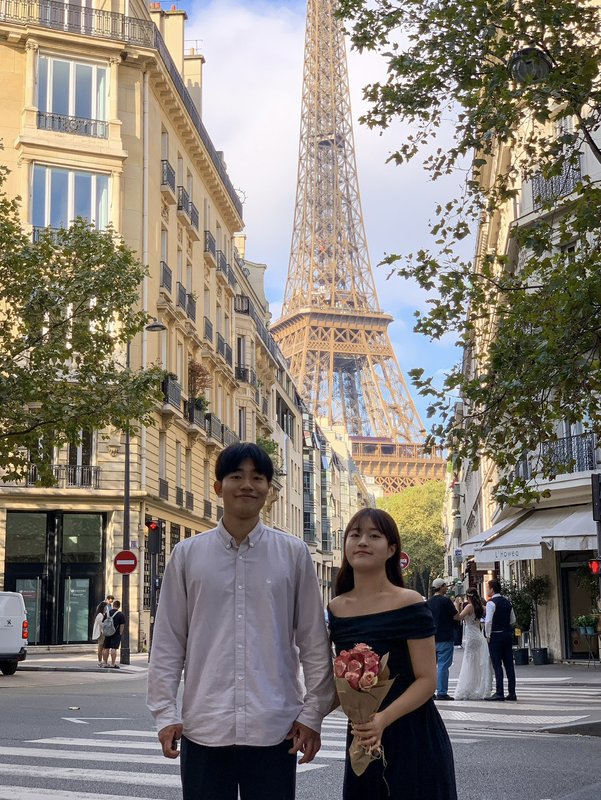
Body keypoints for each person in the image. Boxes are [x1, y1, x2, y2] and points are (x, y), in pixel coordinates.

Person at [147, 442, 335, 800]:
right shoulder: (187, 555)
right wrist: (165, 713)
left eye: (257, 477)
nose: (247, 485)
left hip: (275, 727)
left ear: (269, 489)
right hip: (205, 726)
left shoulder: (293, 554)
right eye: (236, 476)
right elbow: (169, 640)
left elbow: (313, 640)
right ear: (218, 487)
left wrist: (313, 714)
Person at [328, 508, 457, 800]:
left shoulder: (409, 602)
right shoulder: (336, 608)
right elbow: (339, 684)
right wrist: (306, 718)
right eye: (355, 535)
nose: (362, 542)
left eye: (374, 536)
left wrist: (383, 719)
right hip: (363, 737)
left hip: (412, 732)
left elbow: (427, 680)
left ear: (391, 549)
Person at [453, 588, 492, 700]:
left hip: (471, 636)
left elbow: (458, 617)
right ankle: (479, 687)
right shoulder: (481, 607)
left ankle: (469, 687)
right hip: (479, 635)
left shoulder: (469, 607)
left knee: (469, 662)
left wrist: (457, 606)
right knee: (478, 662)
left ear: (468, 596)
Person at [427, 578, 460, 700]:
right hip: (445, 636)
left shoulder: (428, 602)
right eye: (445, 586)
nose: (446, 588)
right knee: (443, 665)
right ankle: (441, 692)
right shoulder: (446, 601)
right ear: (440, 587)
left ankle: (430, 692)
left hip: (431, 638)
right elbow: (456, 617)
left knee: (431, 666)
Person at [484, 578, 517, 701]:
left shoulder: (491, 603)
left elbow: (488, 621)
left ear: (492, 589)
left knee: (497, 665)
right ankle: (512, 693)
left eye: (488, 588)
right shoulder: (507, 602)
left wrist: (488, 635)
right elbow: (513, 620)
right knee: (509, 665)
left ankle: (499, 692)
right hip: (507, 635)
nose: (487, 590)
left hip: (495, 636)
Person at [101, 600, 125, 669]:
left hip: (107, 633)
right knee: (114, 649)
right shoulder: (120, 614)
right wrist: (120, 633)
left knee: (106, 648)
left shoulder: (107, 613)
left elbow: (103, 623)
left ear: (113, 605)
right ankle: (113, 663)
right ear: (119, 606)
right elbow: (122, 625)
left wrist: (104, 631)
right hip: (116, 633)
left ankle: (105, 663)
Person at [92, 600, 108, 666]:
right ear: (103, 608)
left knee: (101, 647)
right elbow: (101, 625)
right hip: (101, 633)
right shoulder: (100, 615)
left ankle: (101, 661)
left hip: (101, 633)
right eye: (105, 607)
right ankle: (100, 661)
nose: (106, 609)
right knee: (101, 647)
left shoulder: (101, 614)